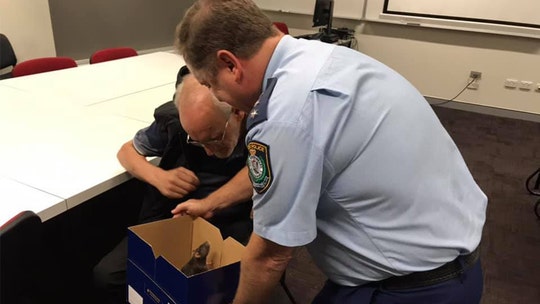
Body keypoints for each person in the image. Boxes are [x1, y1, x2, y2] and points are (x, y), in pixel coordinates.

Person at [173, 1, 488, 303]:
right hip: (450, 259)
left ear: (230, 64)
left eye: (210, 84)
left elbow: (270, 257)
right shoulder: (318, 57)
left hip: (410, 288)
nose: (217, 97)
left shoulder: (286, 115)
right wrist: (212, 202)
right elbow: (286, 168)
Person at [92, 65, 253, 304]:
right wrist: (160, 177)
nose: (208, 152)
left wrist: (209, 204)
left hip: (231, 218)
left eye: (214, 138)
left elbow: (262, 173)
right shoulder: (176, 120)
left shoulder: (262, 123)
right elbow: (127, 151)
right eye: (197, 141)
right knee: (107, 276)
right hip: (177, 215)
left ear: (237, 113)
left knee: (217, 289)